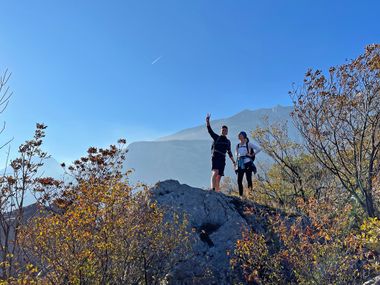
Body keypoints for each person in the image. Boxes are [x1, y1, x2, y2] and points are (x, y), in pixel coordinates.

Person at [206, 113, 236, 192]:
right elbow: (210, 131)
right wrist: (207, 121)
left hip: (223, 158)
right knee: (215, 172)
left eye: (225, 130)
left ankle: (217, 190)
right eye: (223, 130)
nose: (224, 131)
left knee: (219, 176)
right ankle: (212, 189)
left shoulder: (228, 142)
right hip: (215, 156)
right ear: (221, 131)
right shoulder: (217, 137)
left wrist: (233, 161)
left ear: (227, 132)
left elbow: (229, 152)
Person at [235, 131, 261, 197]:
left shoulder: (248, 144)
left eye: (240, 134)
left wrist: (252, 155)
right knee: (239, 180)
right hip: (240, 163)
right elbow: (236, 154)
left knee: (248, 179)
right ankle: (241, 195)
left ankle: (250, 195)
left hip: (248, 163)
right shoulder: (237, 145)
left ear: (244, 136)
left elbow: (259, 148)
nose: (239, 135)